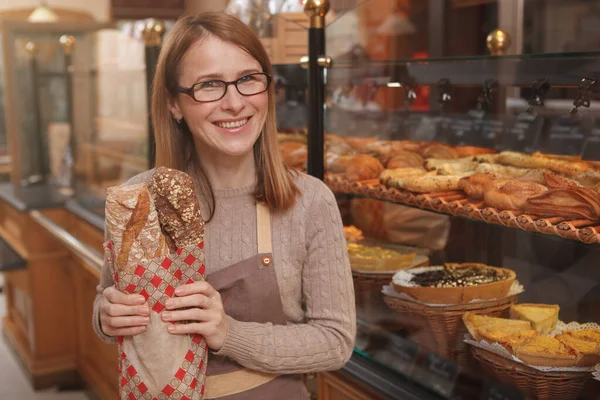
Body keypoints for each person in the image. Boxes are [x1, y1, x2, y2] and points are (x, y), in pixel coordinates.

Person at [92, 12, 356, 399]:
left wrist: (228, 333)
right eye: (209, 85)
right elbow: (106, 296)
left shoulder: (310, 202)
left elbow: (335, 342)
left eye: (248, 79)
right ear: (175, 104)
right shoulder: (139, 198)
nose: (235, 103)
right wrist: (106, 314)